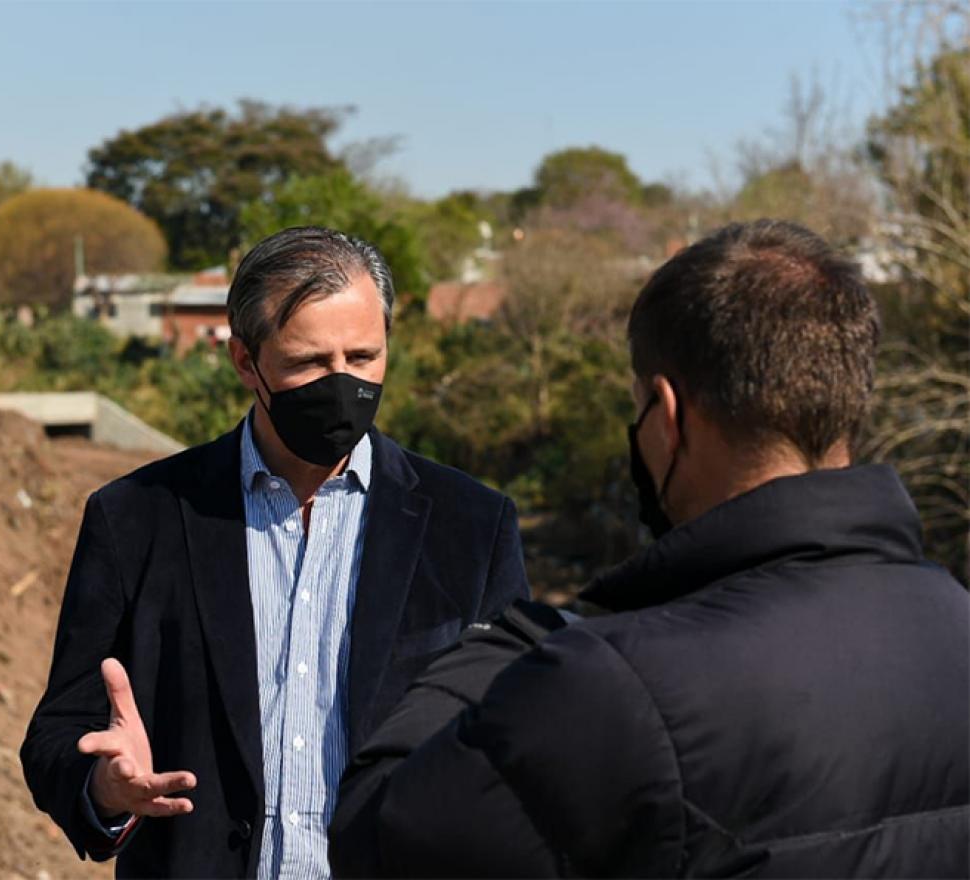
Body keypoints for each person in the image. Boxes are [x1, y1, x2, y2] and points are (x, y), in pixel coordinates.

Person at [329, 219, 970, 878]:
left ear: (666, 416)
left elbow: (381, 837)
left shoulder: (614, 684)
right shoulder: (956, 623)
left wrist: (503, 641)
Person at [20, 226, 530, 878]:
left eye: (364, 357)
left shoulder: (473, 529)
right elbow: (60, 733)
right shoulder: (136, 518)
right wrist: (105, 788)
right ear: (244, 362)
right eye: (310, 364)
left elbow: (517, 743)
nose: (343, 383)